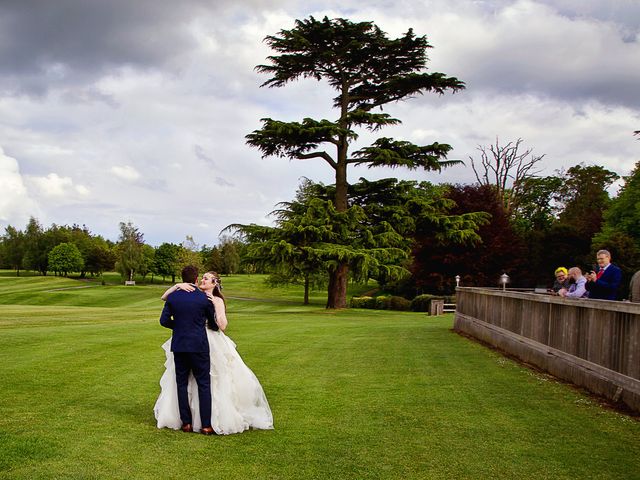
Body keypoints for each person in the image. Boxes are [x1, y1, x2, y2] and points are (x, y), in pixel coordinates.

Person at [154, 271, 274, 435]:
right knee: (194, 382)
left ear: (214, 283)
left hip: (207, 341)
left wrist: (215, 309)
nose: (203, 280)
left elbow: (221, 325)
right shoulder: (198, 296)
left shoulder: (214, 300)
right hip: (199, 341)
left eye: (206, 278)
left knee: (213, 379)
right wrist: (177, 286)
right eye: (202, 277)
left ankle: (198, 421)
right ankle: (201, 422)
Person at [158, 265, 217, 435]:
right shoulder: (204, 298)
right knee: (204, 384)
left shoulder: (173, 298)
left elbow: (163, 321)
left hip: (180, 344)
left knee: (181, 383)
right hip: (199, 345)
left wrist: (179, 327)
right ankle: (206, 425)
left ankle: (187, 424)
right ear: (196, 279)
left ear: (182, 278)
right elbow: (213, 324)